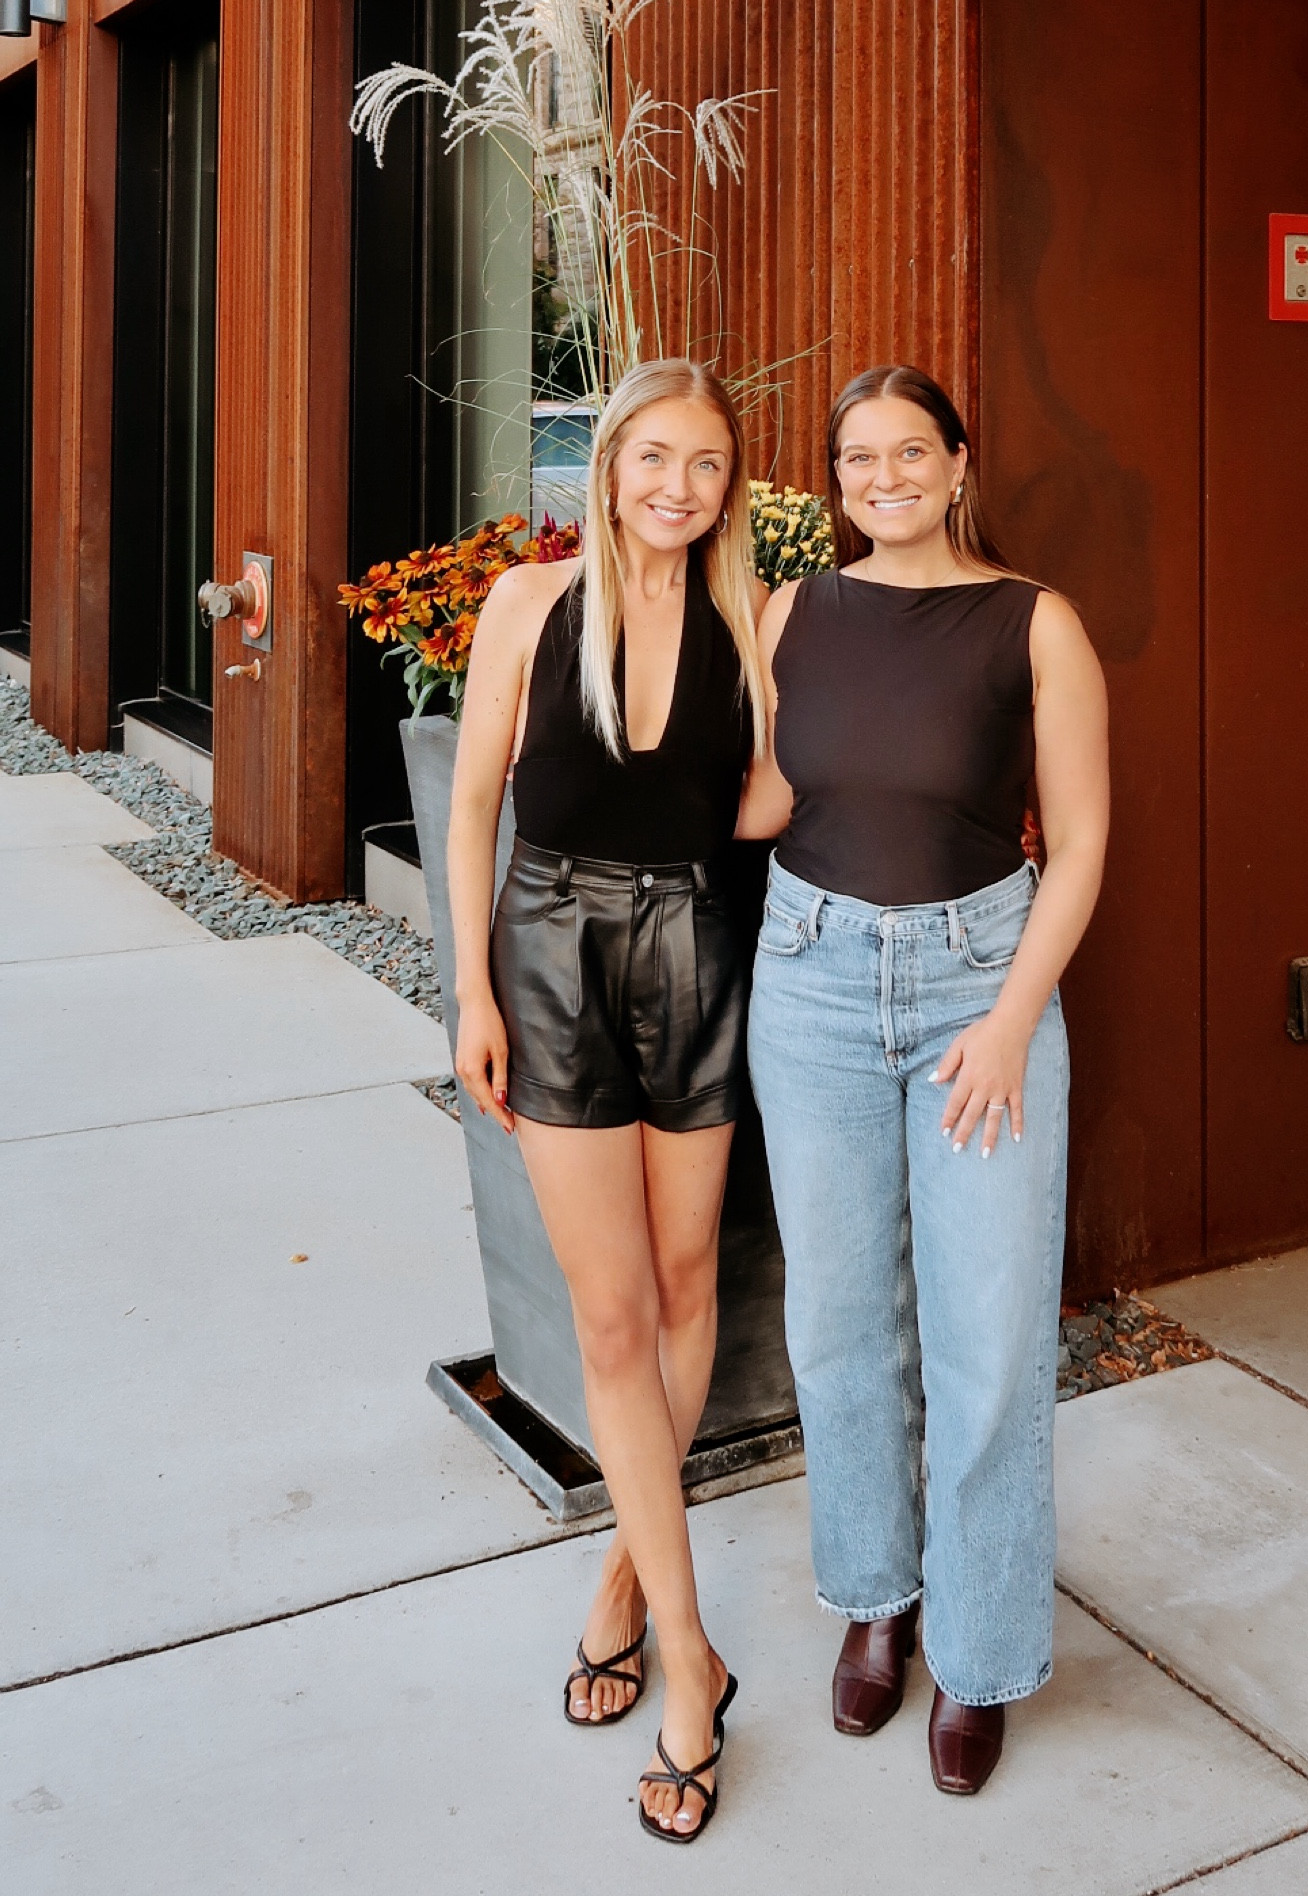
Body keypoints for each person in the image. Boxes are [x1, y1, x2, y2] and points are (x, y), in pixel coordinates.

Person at [739, 364, 1108, 1793]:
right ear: (834, 481)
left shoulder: (1034, 622)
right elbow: (777, 795)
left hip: (978, 988)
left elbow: (1078, 840)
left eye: (909, 452)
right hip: (811, 977)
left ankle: (979, 1648)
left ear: (959, 463)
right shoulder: (797, 610)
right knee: (840, 1323)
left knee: (989, 1337)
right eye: (856, 458)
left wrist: (1014, 1019)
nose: (881, 478)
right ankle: (875, 1601)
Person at [448, 359, 767, 1841]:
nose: (674, 486)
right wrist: (472, 992)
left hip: (695, 947)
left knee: (690, 1287)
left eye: (704, 464)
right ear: (609, 460)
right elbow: (472, 804)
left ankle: (627, 1573)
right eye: (652, 456)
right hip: (552, 948)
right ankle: (692, 1661)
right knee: (612, 1316)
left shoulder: (749, 625)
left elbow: (771, 799)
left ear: (729, 486)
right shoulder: (529, 605)